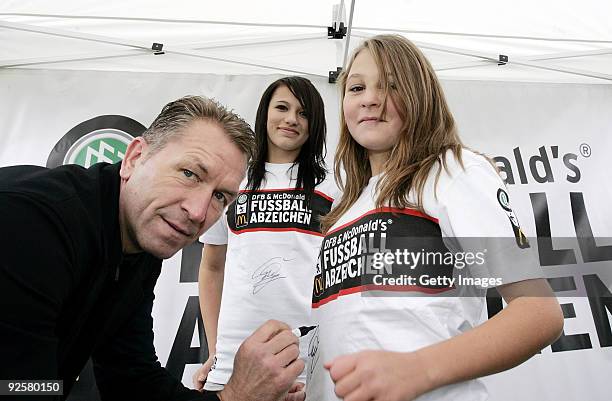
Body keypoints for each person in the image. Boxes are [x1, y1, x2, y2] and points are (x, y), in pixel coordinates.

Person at [305, 35, 564, 401]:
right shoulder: (347, 203)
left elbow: (539, 313)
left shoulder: (450, 171)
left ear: (419, 94)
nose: (370, 98)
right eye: (356, 87)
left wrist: (417, 369)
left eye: (391, 85)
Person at [0, 96, 305, 401]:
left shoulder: (138, 242)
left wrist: (230, 398)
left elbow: (132, 379)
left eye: (220, 197)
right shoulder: (31, 222)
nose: (199, 212)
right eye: (189, 174)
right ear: (134, 158)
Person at [192, 77, 338, 397]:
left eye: (303, 113)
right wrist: (215, 350)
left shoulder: (333, 186)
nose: (291, 119)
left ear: (315, 124)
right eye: (282, 108)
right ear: (264, 113)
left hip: (302, 359)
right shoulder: (233, 179)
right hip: (234, 358)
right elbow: (212, 268)